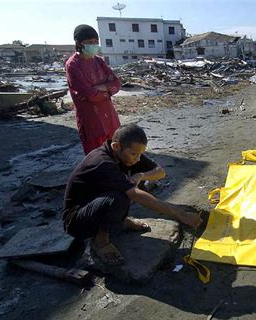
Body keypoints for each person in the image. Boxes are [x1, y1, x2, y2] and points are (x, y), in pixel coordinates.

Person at [63, 124, 202, 265]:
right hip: (78, 220)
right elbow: (136, 195)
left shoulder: (128, 154)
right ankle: (100, 241)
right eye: (134, 154)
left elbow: (160, 172)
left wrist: (141, 175)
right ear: (116, 146)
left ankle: (121, 221)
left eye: (140, 154)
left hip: (97, 203)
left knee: (134, 182)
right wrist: (180, 214)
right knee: (121, 196)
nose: (137, 159)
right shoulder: (102, 162)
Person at [66, 24, 121, 155]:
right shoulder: (72, 65)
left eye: (96, 42)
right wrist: (107, 90)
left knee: (116, 152)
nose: (94, 45)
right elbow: (89, 95)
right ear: (79, 43)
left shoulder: (98, 61)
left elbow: (117, 83)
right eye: (90, 42)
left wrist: (100, 88)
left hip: (110, 117)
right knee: (97, 157)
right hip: (91, 120)